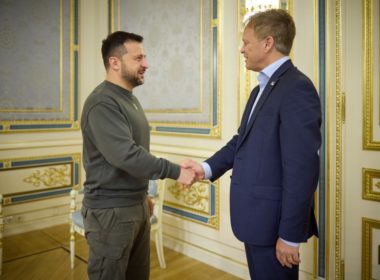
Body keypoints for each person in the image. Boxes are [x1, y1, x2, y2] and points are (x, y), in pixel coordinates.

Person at [182, 9, 321, 280]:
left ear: (267, 43)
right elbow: (240, 142)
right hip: (256, 220)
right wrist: (204, 168)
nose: (241, 49)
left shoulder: (297, 88)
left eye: (246, 42)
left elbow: (302, 169)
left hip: (274, 225)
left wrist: (290, 236)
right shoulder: (260, 89)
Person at [80, 31, 196, 280]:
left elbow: (135, 153)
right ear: (114, 62)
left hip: (135, 207)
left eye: (145, 57)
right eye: (138, 58)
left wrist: (141, 195)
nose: (146, 64)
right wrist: (176, 171)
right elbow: (127, 156)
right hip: (110, 213)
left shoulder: (128, 99)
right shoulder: (102, 102)